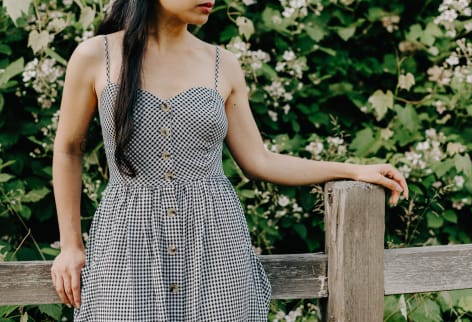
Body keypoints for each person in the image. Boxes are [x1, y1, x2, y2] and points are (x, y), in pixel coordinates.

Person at [51, 0, 408, 321]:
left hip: (215, 244)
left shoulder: (223, 64)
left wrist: (352, 169)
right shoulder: (96, 56)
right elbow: (68, 148)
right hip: (128, 242)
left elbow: (259, 160)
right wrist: (71, 245)